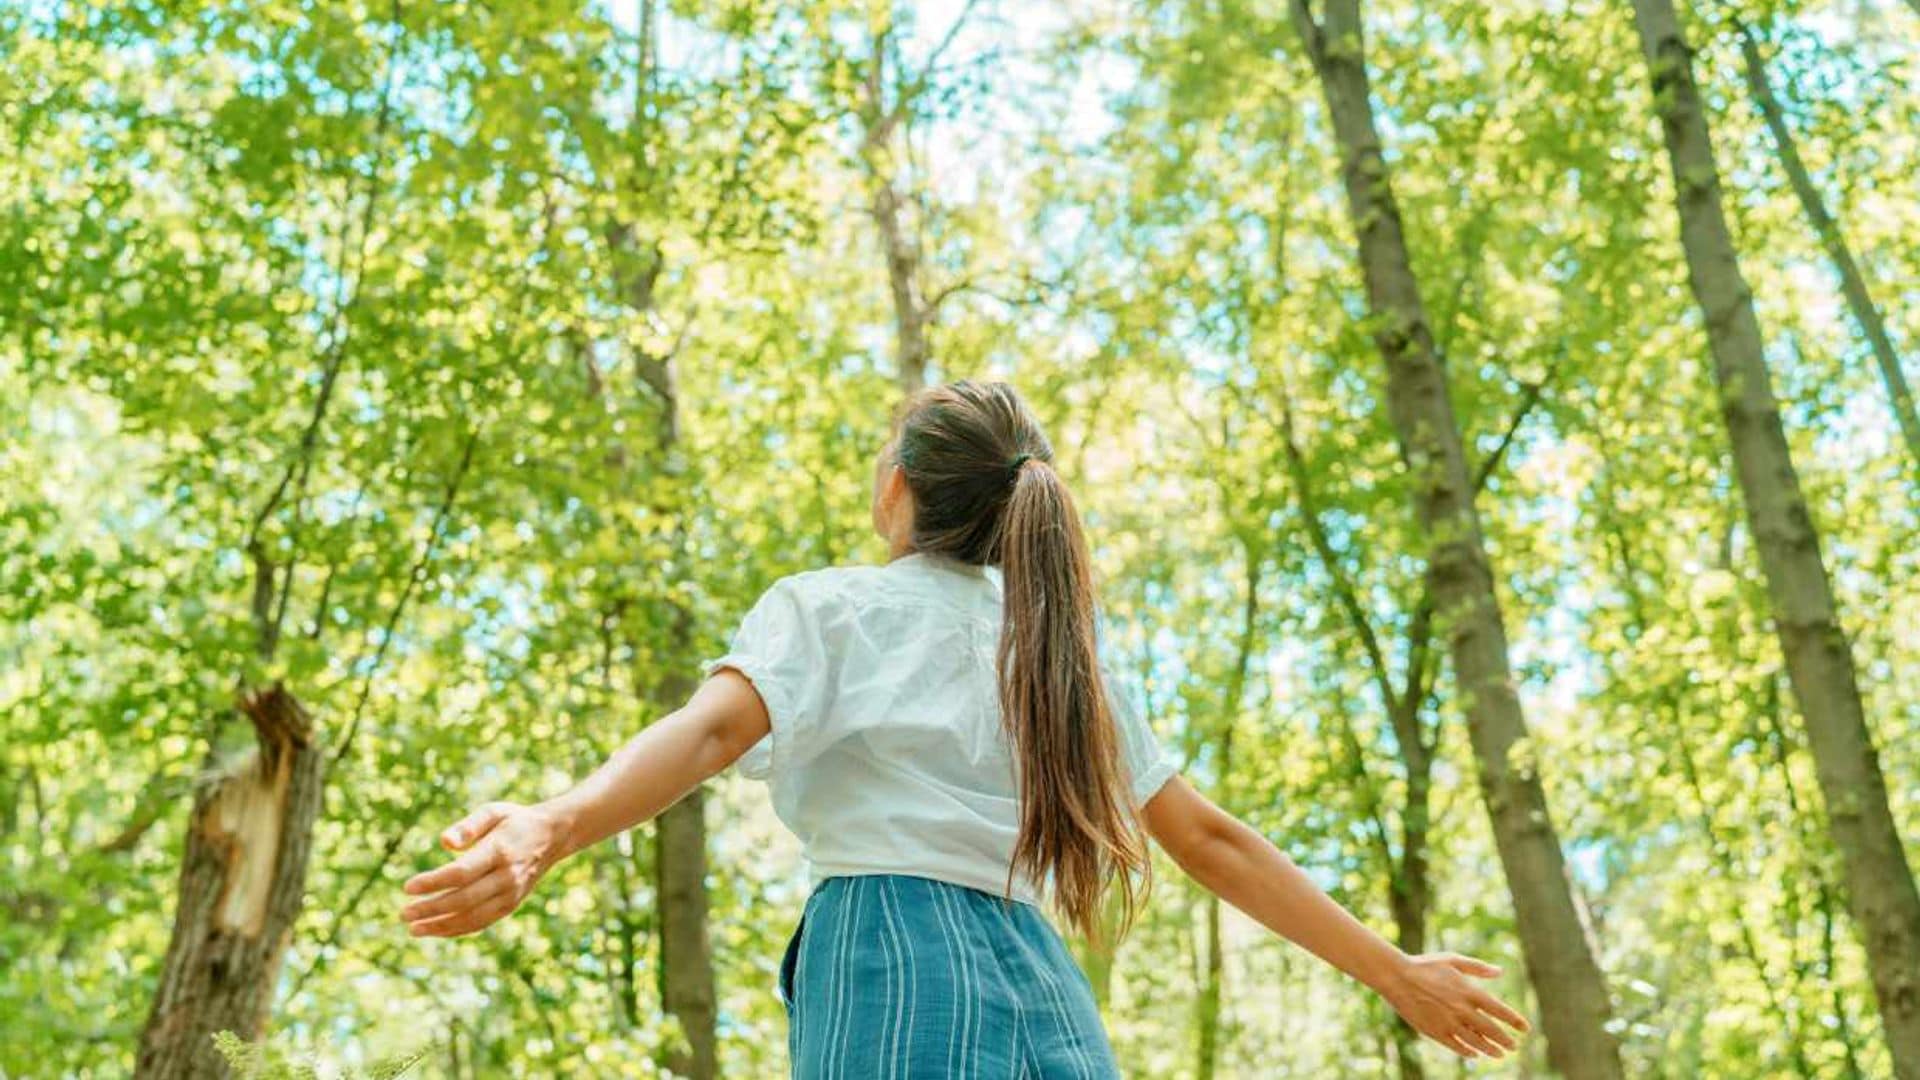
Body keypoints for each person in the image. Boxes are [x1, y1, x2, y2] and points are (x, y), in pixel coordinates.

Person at [399, 379, 1529, 1076]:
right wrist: (1393, 973)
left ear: (898, 486)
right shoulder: (1055, 654)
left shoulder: (836, 605)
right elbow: (1212, 841)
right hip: (1042, 977)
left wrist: (553, 821)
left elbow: (704, 737)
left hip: (887, 950)